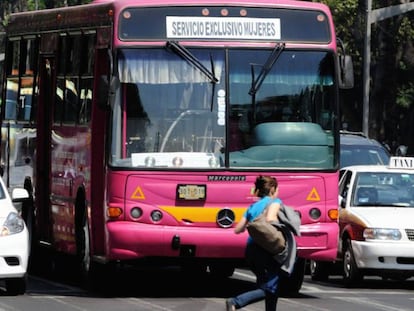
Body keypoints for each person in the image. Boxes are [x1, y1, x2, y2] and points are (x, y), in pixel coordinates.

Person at [226, 175, 288, 311]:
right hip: (268, 251)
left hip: (252, 251)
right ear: (272, 189)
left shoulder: (252, 207)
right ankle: (236, 302)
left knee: (269, 285)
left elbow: (238, 229)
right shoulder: (275, 202)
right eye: (277, 189)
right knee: (269, 288)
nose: (278, 192)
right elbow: (271, 219)